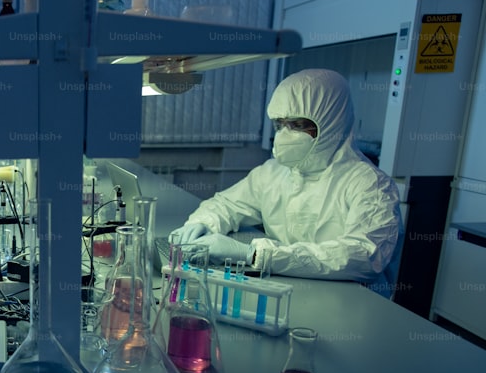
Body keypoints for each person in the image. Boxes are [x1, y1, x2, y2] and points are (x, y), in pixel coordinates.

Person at [170, 68, 401, 290]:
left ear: (332, 124)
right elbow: (227, 204)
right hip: (288, 286)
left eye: (298, 125)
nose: (284, 135)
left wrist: (255, 254)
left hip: (354, 301)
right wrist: (201, 223)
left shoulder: (371, 185)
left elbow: (362, 256)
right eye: (280, 124)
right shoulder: (274, 172)